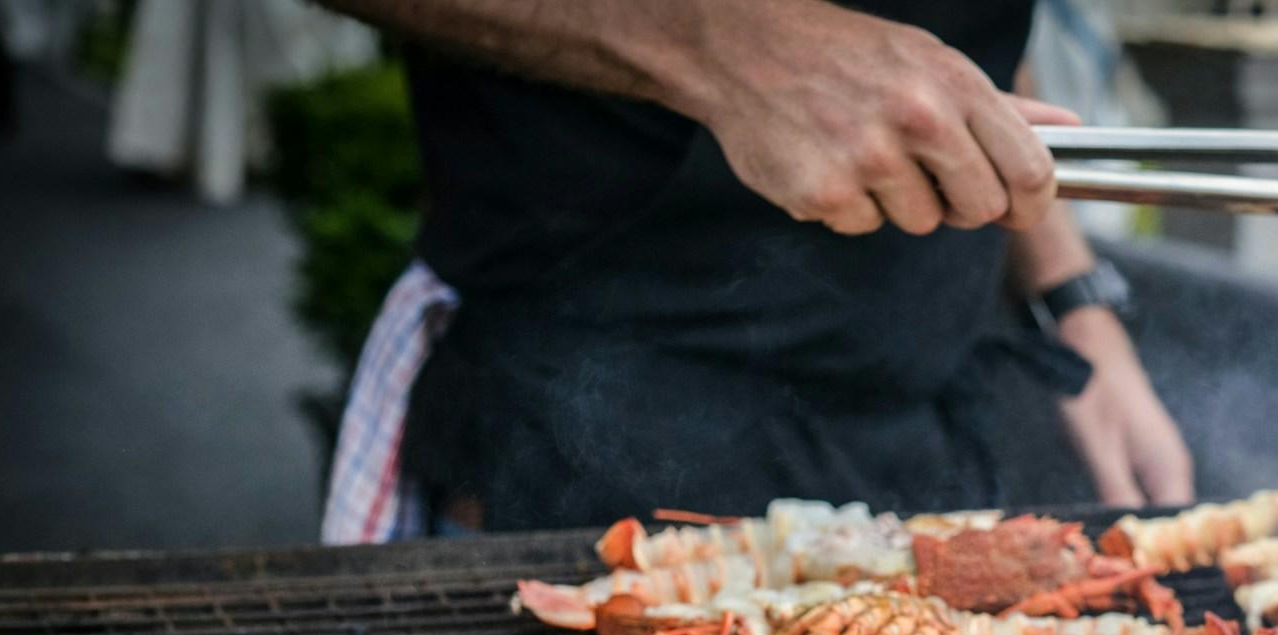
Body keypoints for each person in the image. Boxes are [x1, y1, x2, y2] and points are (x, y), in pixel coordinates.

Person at [316, 0, 1193, 543]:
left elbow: (959, 49)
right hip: (574, 441)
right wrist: (724, 42)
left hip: (919, 437)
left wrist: (1075, 302)